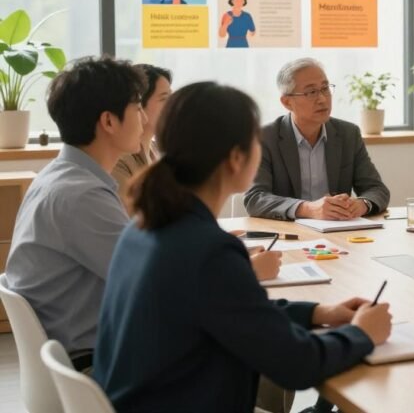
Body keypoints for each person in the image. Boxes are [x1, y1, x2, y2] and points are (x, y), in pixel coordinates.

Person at [93, 82, 393, 411]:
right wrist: (363, 334)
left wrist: (320, 312)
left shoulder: (144, 227)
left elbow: (237, 308)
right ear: (236, 158)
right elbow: (296, 364)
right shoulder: (208, 250)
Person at [4, 57, 145, 368]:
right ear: (109, 121)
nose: (144, 118)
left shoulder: (61, 176)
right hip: (96, 364)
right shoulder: (81, 195)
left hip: (81, 355)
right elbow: (149, 279)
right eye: (137, 108)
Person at [110, 63, 281, 282]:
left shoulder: (145, 230)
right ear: (236, 157)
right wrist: (240, 268)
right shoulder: (200, 242)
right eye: (255, 140)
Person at [244, 58, 390, 220]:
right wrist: (307, 209)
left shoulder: (348, 134)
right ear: (287, 102)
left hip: (339, 233)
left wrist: (362, 204)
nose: (322, 99)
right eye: (311, 92)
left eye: (325, 88)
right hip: (288, 234)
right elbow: (255, 198)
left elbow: (377, 189)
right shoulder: (265, 138)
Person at [112, 64, 172, 198]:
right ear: (139, 102)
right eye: (164, 98)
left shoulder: (157, 150)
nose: (172, 105)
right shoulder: (119, 160)